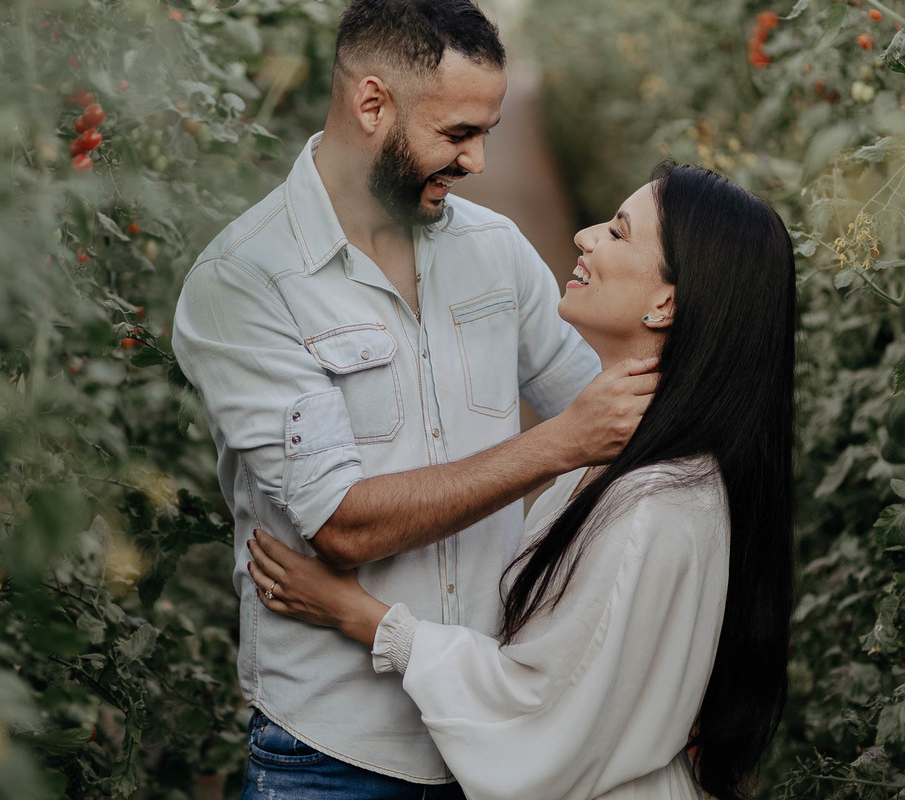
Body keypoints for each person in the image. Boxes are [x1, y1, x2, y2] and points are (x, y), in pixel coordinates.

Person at [171, 0, 660, 794]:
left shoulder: (495, 250)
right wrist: (561, 442)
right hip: (334, 753)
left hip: (492, 727)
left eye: (487, 134)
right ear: (372, 104)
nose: (476, 161)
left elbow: (618, 418)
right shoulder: (245, 282)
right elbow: (342, 525)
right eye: (458, 133)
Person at [247, 162, 796, 800]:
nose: (586, 236)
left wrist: (364, 617)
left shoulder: (655, 502)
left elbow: (543, 714)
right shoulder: (625, 457)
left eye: (618, 232)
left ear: (665, 303)